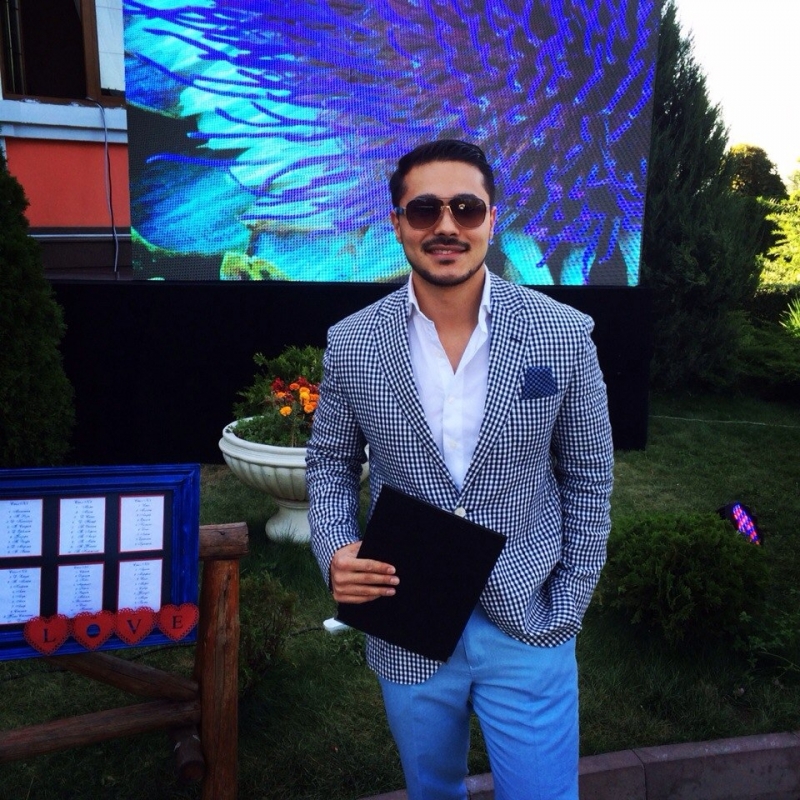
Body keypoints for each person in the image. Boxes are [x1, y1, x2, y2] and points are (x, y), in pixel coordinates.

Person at [307, 139, 614, 800]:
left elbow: (590, 477)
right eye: (425, 210)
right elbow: (330, 462)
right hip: (406, 618)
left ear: (492, 219)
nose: (446, 226)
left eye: (466, 208)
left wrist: (569, 599)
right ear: (397, 223)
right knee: (431, 791)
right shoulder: (352, 342)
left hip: (528, 618)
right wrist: (335, 549)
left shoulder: (564, 334)